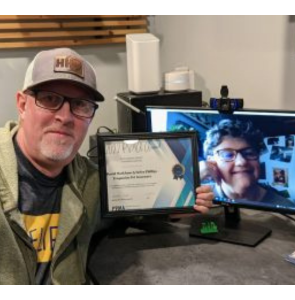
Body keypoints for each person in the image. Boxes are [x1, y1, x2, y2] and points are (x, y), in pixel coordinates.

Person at [0, 48, 214, 285]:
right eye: (50, 99)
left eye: (80, 105)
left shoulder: (90, 182)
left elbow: (127, 203)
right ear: (22, 104)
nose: (66, 116)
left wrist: (175, 205)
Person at [200, 119, 295, 207]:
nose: (241, 162)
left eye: (249, 153)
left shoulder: (285, 208)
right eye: (228, 155)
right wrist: (193, 177)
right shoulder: (199, 198)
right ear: (211, 162)